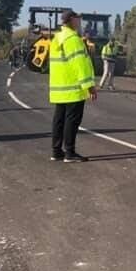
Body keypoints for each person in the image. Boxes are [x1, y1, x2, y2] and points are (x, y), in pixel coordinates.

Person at [49, 10, 97, 162]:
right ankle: (69, 152)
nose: (79, 22)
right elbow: (80, 65)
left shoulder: (58, 37)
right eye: (77, 19)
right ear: (71, 20)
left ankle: (56, 151)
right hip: (73, 88)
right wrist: (89, 86)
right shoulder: (73, 39)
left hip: (60, 87)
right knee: (72, 120)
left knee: (59, 119)